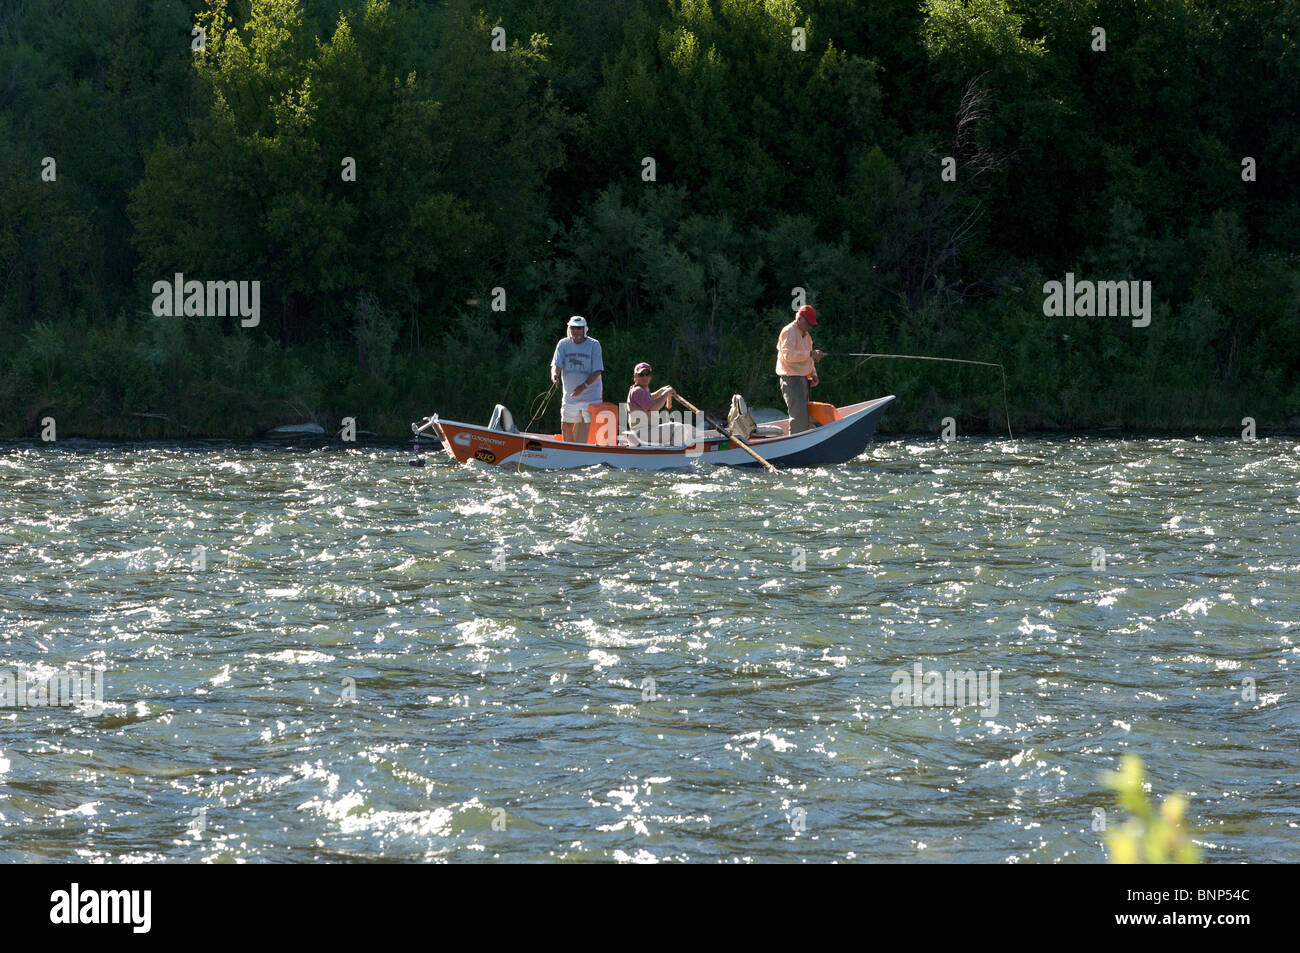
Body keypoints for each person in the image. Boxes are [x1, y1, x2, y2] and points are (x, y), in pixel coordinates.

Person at [551, 315, 604, 442]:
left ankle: (592, 454)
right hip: (570, 396)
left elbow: (598, 370)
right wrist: (554, 375)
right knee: (566, 426)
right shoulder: (563, 344)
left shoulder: (594, 344)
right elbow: (556, 364)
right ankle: (569, 454)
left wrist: (583, 386)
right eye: (573, 328)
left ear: (584, 330)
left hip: (591, 396)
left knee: (591, 427)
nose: (576, 331)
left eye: (579, 328)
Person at [775, 304, 825, 434]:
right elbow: (788, 355)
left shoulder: (807, 336)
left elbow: (808, 358)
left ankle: (799, 443)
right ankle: (794, 446)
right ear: (799, 319)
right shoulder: (789, 331)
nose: (810, 326)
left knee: (803, 416)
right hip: (791, 380)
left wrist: (813, 374)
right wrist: (810, 353)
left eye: (811, 324)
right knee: (799, 418)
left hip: (802, 379)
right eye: (808, 323)